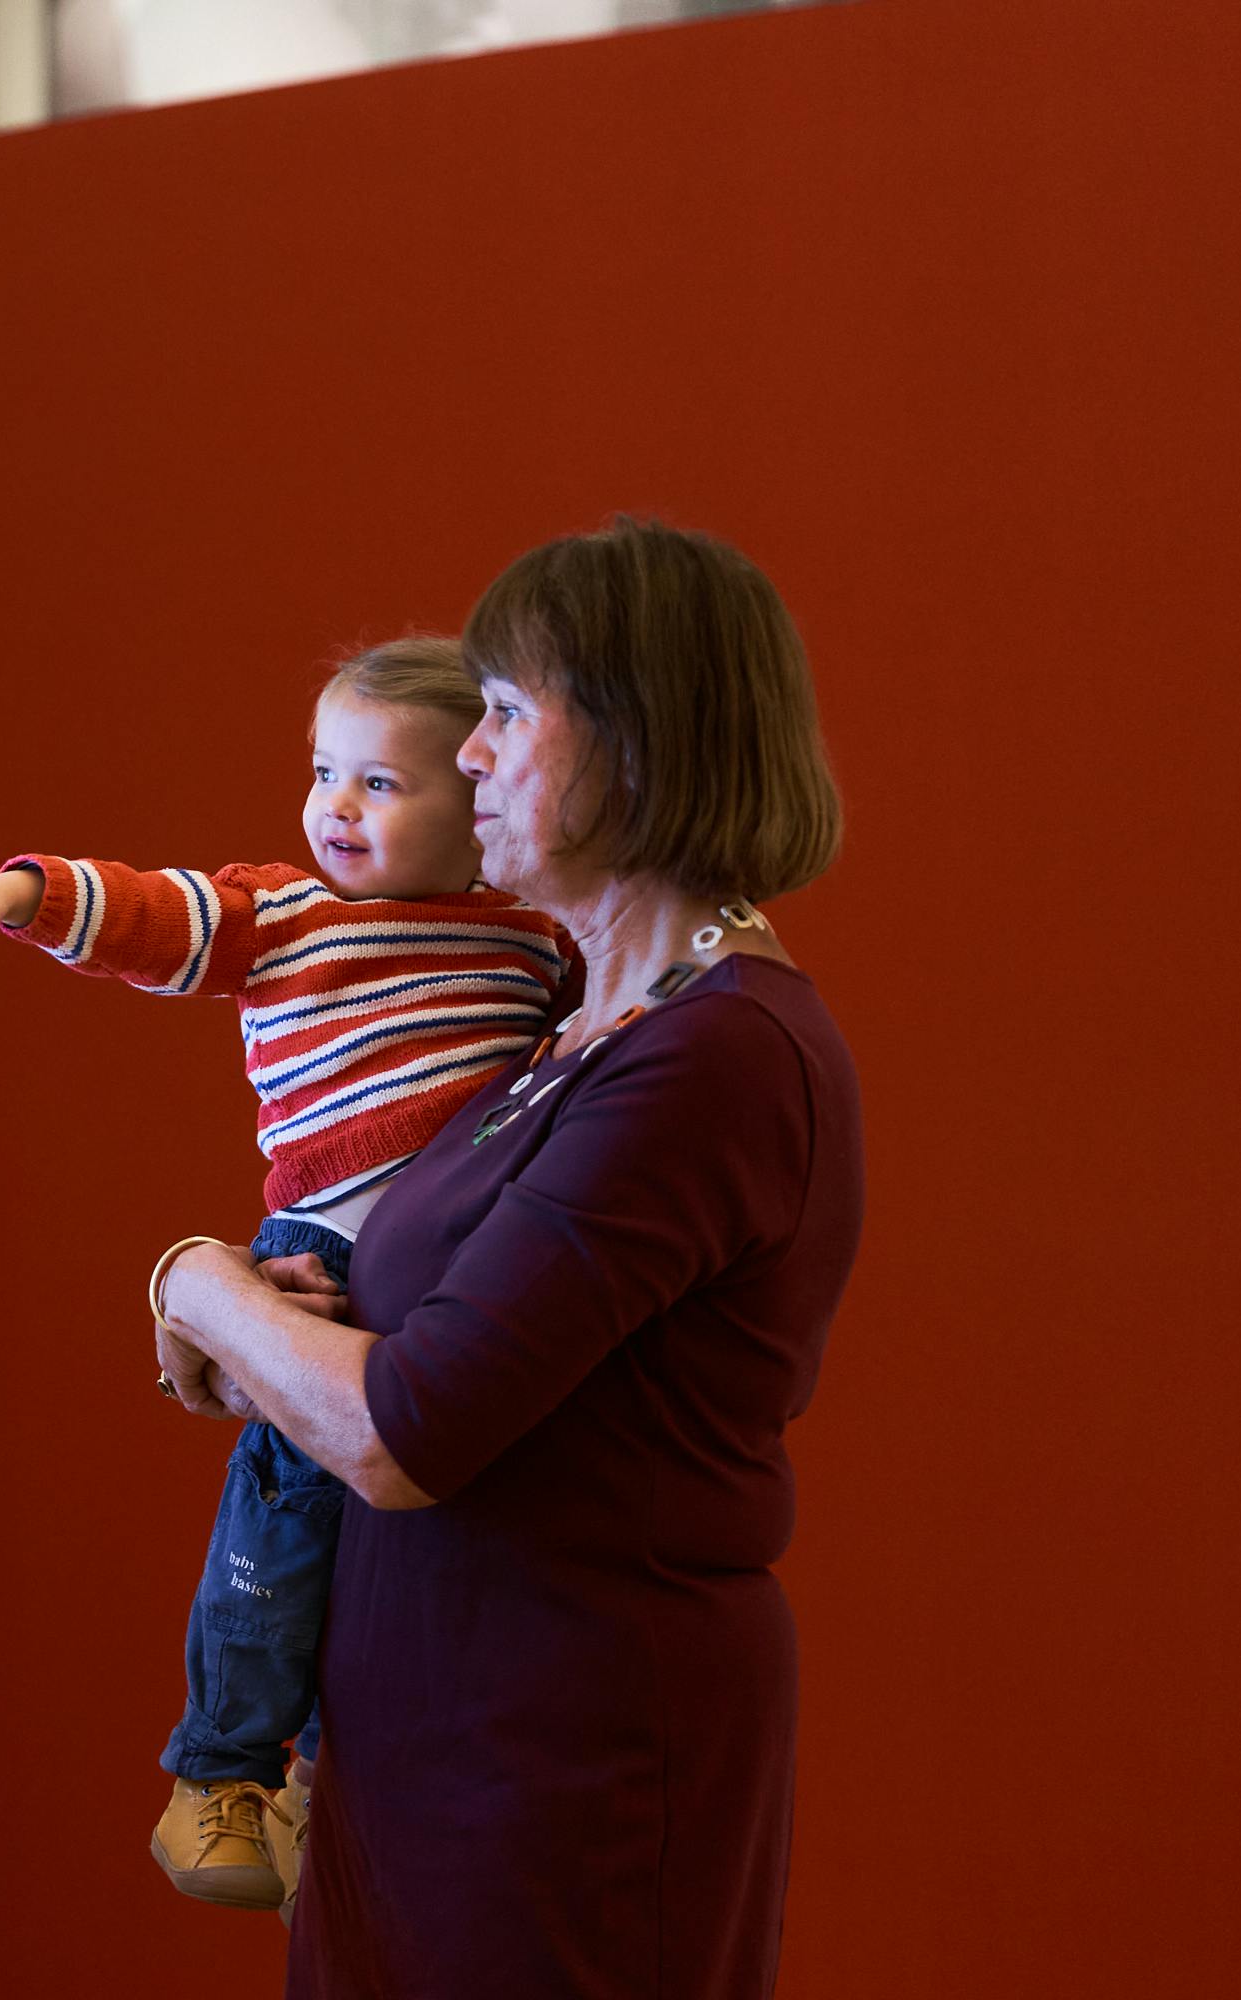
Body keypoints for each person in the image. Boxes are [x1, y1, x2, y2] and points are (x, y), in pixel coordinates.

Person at [150, 517, 863, 1997]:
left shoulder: (714, 1055)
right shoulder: (568, 1033)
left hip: (561, 1776)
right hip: (418, 1758)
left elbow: (408, 1428)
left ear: (637, 742)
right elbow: (411, 1340)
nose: (466, 755)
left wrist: (197, 1284)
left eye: (508, 713)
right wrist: (287, 1322)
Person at [0, 637, 570, 1916]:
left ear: (481, 806)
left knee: (412, 1549)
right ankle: (217, 1769)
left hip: (449, 1272)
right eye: (324, 773)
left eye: (380, 783)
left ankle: (321, 1766)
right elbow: (153, 913)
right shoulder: (287, 915)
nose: (336, 807)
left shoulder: (534, 946)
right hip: (312, 1260)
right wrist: (26, 894)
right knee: (281, 1522)